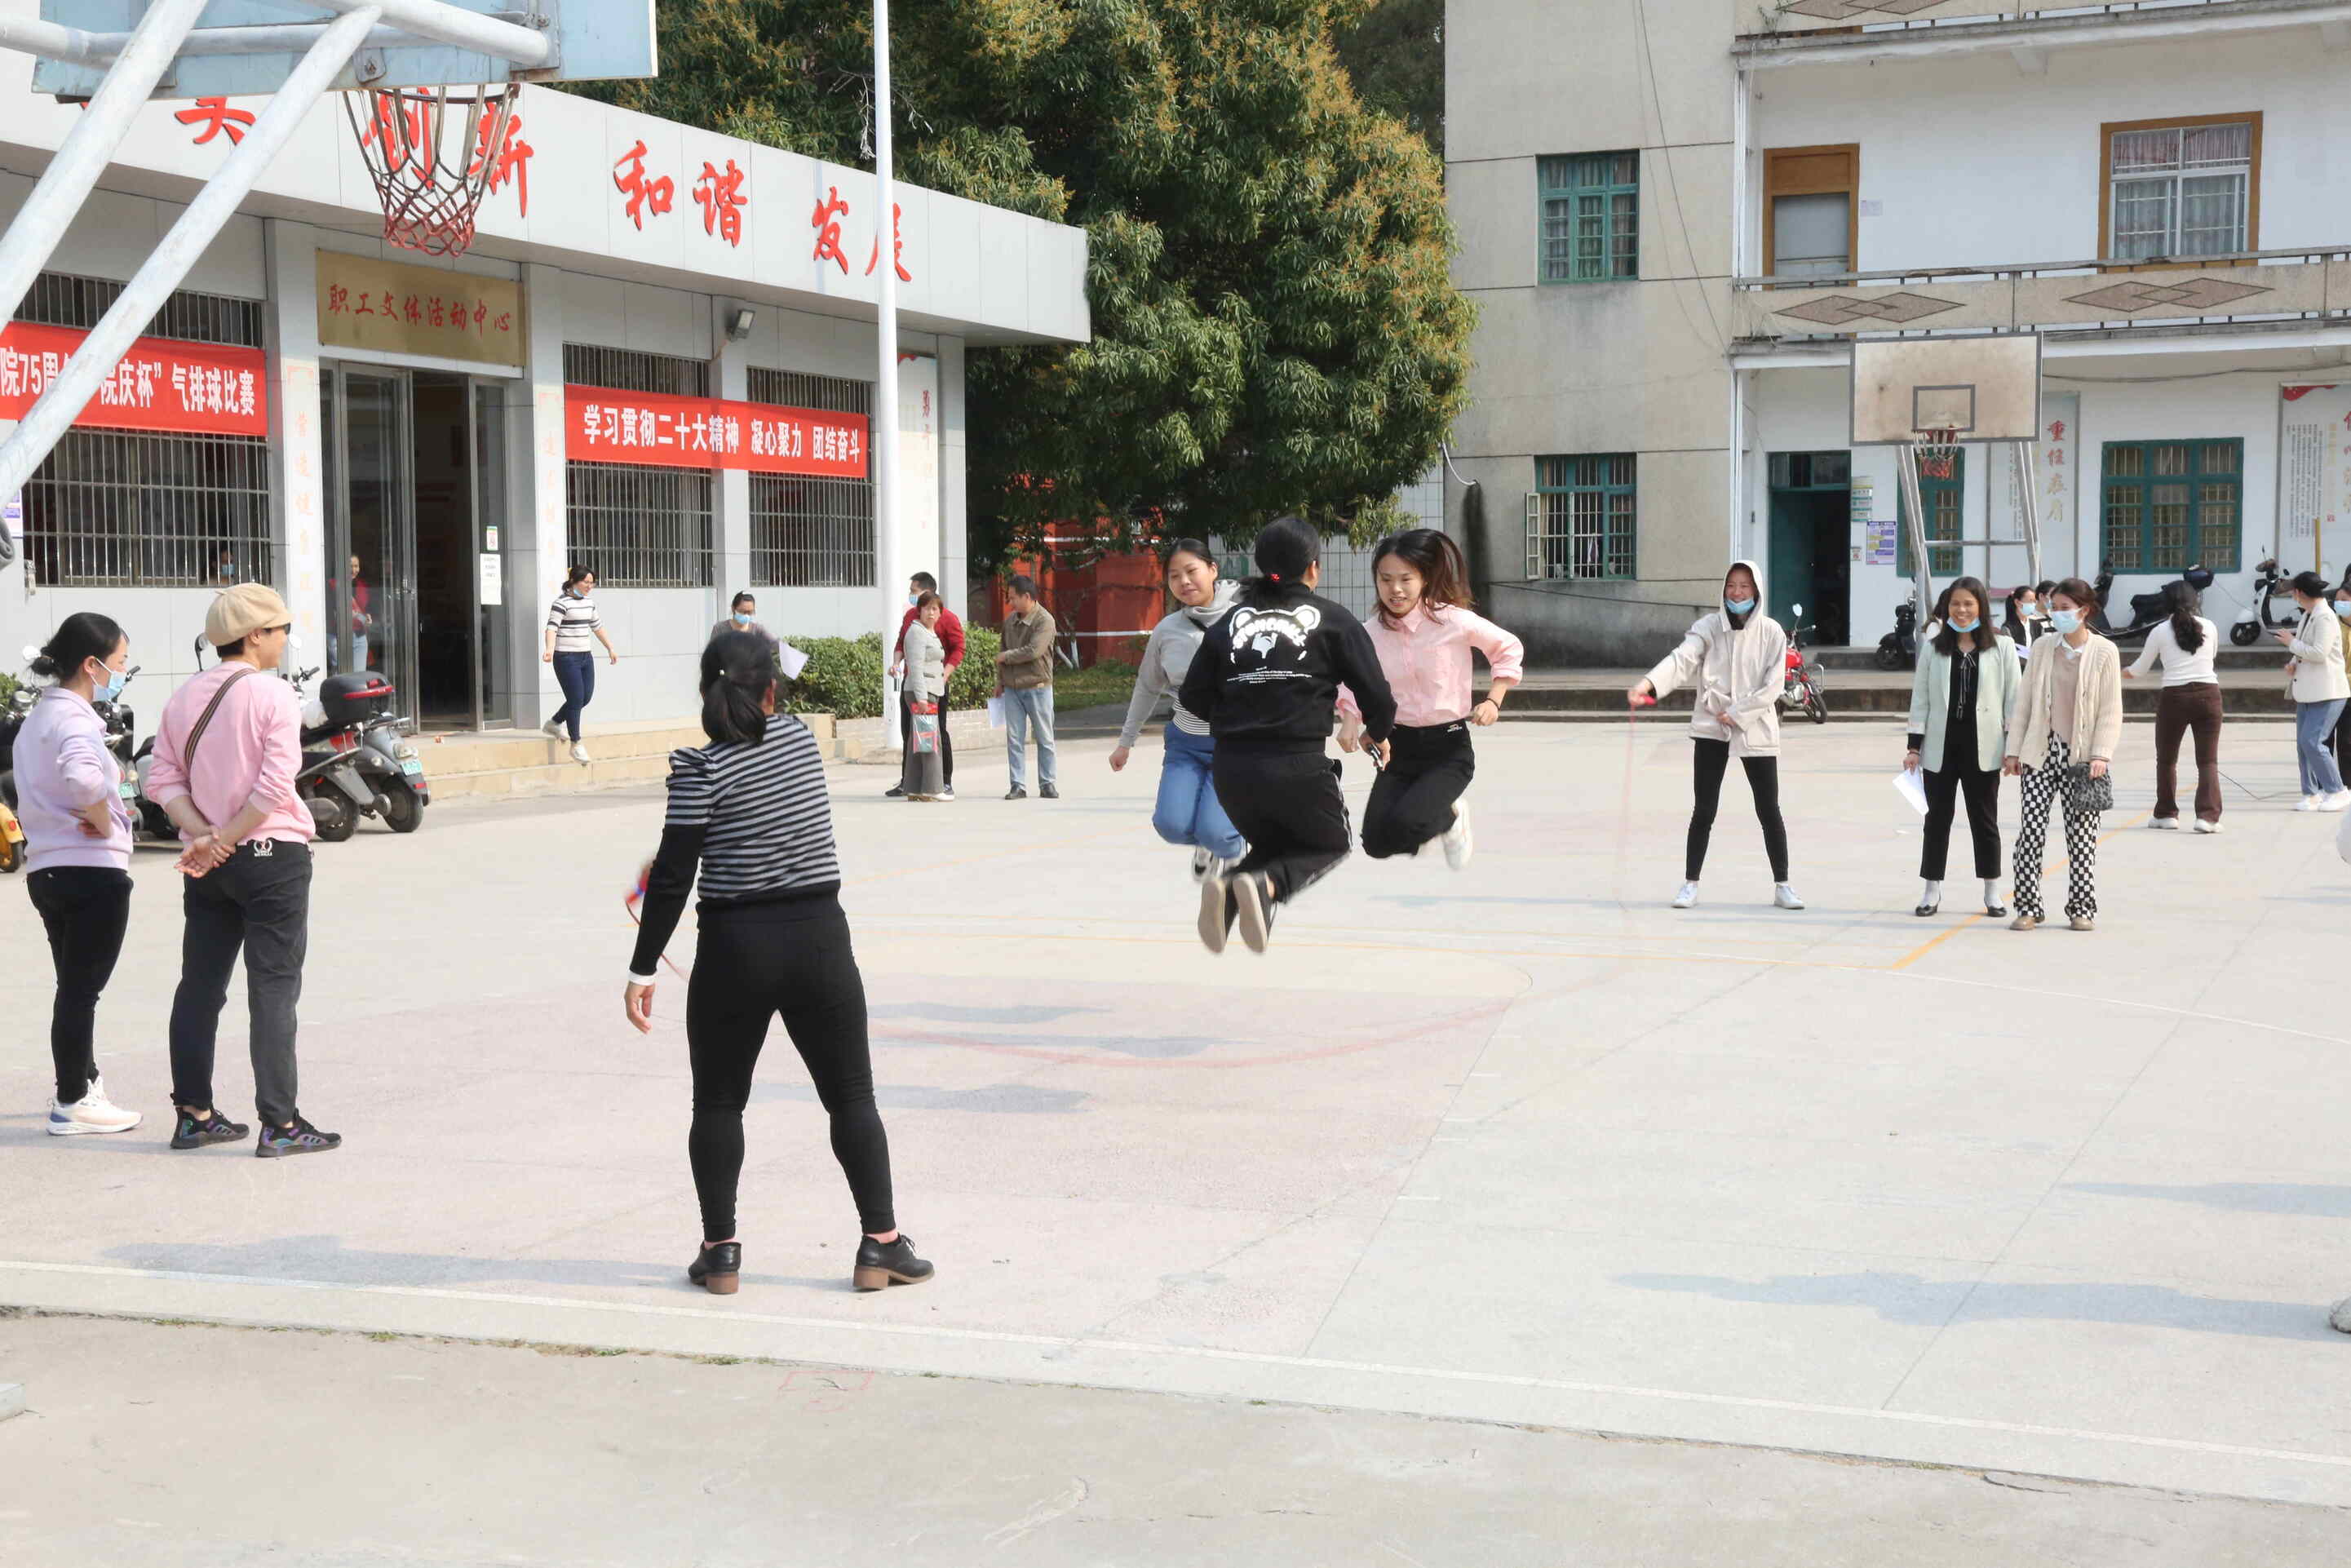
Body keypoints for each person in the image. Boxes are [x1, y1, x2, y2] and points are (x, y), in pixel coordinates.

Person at [625, 631, 930, 1297]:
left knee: (719, 1103)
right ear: (769, 692)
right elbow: (751, 816)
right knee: (851, 1097)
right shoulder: (796, 739)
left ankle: (721, 1252)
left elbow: (676, 873)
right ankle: (881, 1244)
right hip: (818, 937)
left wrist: (643, 968)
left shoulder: (696, 770)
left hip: (734, 947)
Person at [148, 583, 337, 1157]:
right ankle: (280, 1124)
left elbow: (161, 782)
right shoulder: (272, 696)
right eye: (280, 630)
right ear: (256, 635)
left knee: (201, 984)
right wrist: (224, 838)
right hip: (271, 855)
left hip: (210, 865)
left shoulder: (182, 698)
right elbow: (276, 785)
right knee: (274, 988)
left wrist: (204, 838)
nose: (284, 640)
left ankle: (193, 1114)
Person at [1177, 516, 1396, 955]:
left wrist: (1241, 710)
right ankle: (1265, 887)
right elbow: (1378, 694)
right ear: (1313, 568)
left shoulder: (1230, 621)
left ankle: (1229, 891)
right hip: (1296, 765)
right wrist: (1379, 732)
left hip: (1232, 772)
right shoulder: (1334, 621)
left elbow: (1192, 699)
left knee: (1276, 844)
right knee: (1329, 841)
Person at [16, 613, 141, 1136]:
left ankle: (82, 1081)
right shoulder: (75, 720)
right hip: (91, 871)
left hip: (48, 870)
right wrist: (103, 816)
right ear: (91, 665)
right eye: (118, 663)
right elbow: (85, 780)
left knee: (73, 984)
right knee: (80, 990)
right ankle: (72, 1100)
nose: (121, 672)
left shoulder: (37, 720)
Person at [1336, 529, 1523, 870]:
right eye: (1386, 579)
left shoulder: (1453, 620)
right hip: (1398, 748)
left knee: (1409, 823)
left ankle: (1451, 817)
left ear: (1424, 578)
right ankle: (1441, 818)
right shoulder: (1369, 633)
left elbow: (1507, 647)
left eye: (1406, 579)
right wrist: (1350, 720)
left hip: (1447, 749)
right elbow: (1351, 678)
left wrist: (1493, 700)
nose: (1396, 589)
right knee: (1376, 843)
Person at [1627, 560, 1803, 911]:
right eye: (1731, 586)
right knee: (1704, 809)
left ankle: (1783, 885)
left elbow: (1772, 688)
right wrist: (1650, 683)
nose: (1737, 593)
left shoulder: (1772, 633)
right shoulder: (1708, 628)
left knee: (1769, 808)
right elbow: (1682, 660)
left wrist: (1737, 715)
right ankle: (1690, 884)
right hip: (1711, 726)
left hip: (1756, 728)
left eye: (1745, 587)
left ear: (1757, 592)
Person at [1111, 538, 1246, 879]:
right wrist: (1126, 742)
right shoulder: (1167, 630)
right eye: (1174, 576)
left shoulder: (1246, 617)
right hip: (1186, 743)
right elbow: (1147, 686)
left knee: (1217, 831)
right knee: (1170, 825)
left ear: (1213, 570)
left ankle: (1231, 846)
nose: (1184, 582)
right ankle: (1209, 842)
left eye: (1191, 571)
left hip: (1235, 746)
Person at [2003, 577, 2123, 932]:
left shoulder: (2104, 651)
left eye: (2065, 609)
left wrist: (2101, 754)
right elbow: (2025, 701)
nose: (2057, 614)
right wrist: (2013, 750)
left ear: (2084, 611)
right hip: (2041, 751)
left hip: (2083, 758)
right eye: (2053, 608)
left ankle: (2081, 908)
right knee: (2031, 831)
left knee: (2082, 836)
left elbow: (2110, 709)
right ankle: (2028, 907)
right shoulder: (2043, 647)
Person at [1903, 578, 2018, 918]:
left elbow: (2014, 700)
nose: (1962, 610)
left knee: (1985, 820)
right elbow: (1920, 700)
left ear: (1981, 606)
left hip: (1984, 747)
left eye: (1969, 604)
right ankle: (1931, 890)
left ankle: (1992, 891)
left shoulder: (2002, 647)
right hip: (1941, 746)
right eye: (1955, 604)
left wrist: (2013, 750)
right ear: (1946, 608)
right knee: (1936, 820)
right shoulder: (1933, 647)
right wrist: (1913, 747)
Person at [2123, 580, 2224, 833]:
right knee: (2208, 761)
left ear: (2165, 603)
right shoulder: (2210, 627)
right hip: (2209, 695)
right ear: (2195, 601)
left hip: (2175, 698)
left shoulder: (2159, 631)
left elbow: (2139, 670)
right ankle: (2208, 817)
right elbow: (2210, 657)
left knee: (2167, 760)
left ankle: (2166, 814)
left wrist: (2120, 672)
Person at [2276, 569, 2349, 812]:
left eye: (2293, 593)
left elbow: (2320, 652)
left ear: (2299, 593)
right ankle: (2311, 793)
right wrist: (2294, 662)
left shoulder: (2326, 617)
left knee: (2313, 741)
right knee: (2303, 744)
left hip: (2328, 690)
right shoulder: (2309, 615)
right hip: (2308, 689)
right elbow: (2305, 649)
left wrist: (2290, 642)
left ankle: (2337, 790)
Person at [888, 572, 963, 801]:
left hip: (935, 686)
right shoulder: (913, 621)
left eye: (914, 591)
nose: (931, 612)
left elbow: (958, 648)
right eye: (926, 608)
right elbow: (902, 644)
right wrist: (896, 663)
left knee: (935, 734)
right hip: (920, 688)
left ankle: (943, 780)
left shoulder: (946, 618)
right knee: (915, 735)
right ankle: (915, 784)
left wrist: (945, 675)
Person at [542, 565, 618, 765]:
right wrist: (549, 649)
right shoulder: (561, 603)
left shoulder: (588, 603)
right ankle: (576, 744)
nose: (589, 586)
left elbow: (597, 627)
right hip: (565, 657)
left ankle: (554, 722)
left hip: (585, 657)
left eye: (592, 583)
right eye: (586, 582)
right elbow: (551, 628)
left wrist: (610, 647)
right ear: (574, 581)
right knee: (575, 699)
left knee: (585, 698)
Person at [996, 573, 1058, 800]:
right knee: (1014, 738)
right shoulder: (1010, 622)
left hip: (1038, 687)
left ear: (1027, 597)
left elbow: (1034, 651)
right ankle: (1018, 785)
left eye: (1013, 598)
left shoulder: (1045, 620)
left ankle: (1048, 783)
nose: (1010, 603)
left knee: (1045, 737)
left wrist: (1006, 657)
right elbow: (1001, 653)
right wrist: (999, 682)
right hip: (1012, 689)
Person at [898, 592, 950, 802]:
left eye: (935, 609)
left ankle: (914, 788)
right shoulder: (917, 633)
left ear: (940, 613)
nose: (931, 612)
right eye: (927, 608)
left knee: (917, 741)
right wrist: (921, 699)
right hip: (923, 692)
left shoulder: (929, 632)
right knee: (930, 739)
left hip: (930, 690)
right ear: (919, 610)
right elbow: (916, 668)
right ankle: (933, 788)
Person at [710, 591, 777, 658]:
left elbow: (774, 644)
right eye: (743, 612)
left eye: (750, 612)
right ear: (733, 609)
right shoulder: (720, 629)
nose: (746, 615)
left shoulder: (757, 630)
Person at [2002, 582, 2046, 657]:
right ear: (2018, 603)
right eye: (2031, 601)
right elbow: (2009, 654)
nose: (2034, 604)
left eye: (2035, 601)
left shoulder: (2037, 625)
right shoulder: (2007, 628)